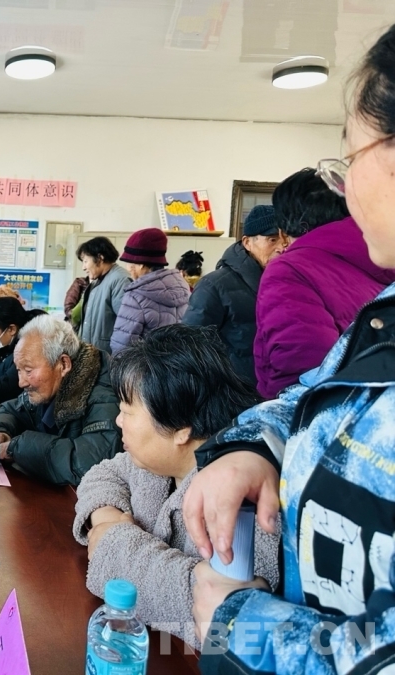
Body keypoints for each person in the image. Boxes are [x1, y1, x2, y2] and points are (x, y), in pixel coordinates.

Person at [183, 24, 395, 674]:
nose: (347, 189)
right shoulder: (386, 307)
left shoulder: (288, 272)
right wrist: (257, 445)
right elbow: (321, 390)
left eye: (350, 158)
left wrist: (242, 626)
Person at [73, 325, 276, 649]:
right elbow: (102, 474)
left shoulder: (241, 499)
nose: (118, 421)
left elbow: (217, 607)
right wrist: (107, 518)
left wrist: (115, 541)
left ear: (182, 428)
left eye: (126, 411)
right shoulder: (153, 463)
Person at [253, 168, 395, 399]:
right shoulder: (382, 256)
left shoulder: (290, 269)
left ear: (288, 225)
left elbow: (299, 373)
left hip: (323, 412)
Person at [0, 315, 122, 486]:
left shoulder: (104, 397)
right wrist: (1, 431)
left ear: (63, 364)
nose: (21, 382)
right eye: (18, 370)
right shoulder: (49, 386)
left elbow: (86, 464)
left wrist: (16, 447)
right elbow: (12, 410)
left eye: (28, 370)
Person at [182, 205, 285, 388]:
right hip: (233, 392)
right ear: (247, 242)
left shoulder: (289, 284)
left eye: (285, 240)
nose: (281, 248)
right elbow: (190, 345)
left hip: (278, 390)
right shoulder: (214, 285)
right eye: (272, 240)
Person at [110, 228, 190, 353]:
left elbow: (122, 346)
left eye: (129, 263)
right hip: (181, 362)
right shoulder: (182, 287)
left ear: (141, 265)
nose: (128, 268)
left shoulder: (135, 296)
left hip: (147, 364)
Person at [77, 236, 132, 353]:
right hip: (92, 355)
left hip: (108, 356)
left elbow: (126, 325)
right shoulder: (98, 280)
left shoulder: (120, 280)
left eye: (85, 261)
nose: (83, 267)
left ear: (100, 257)